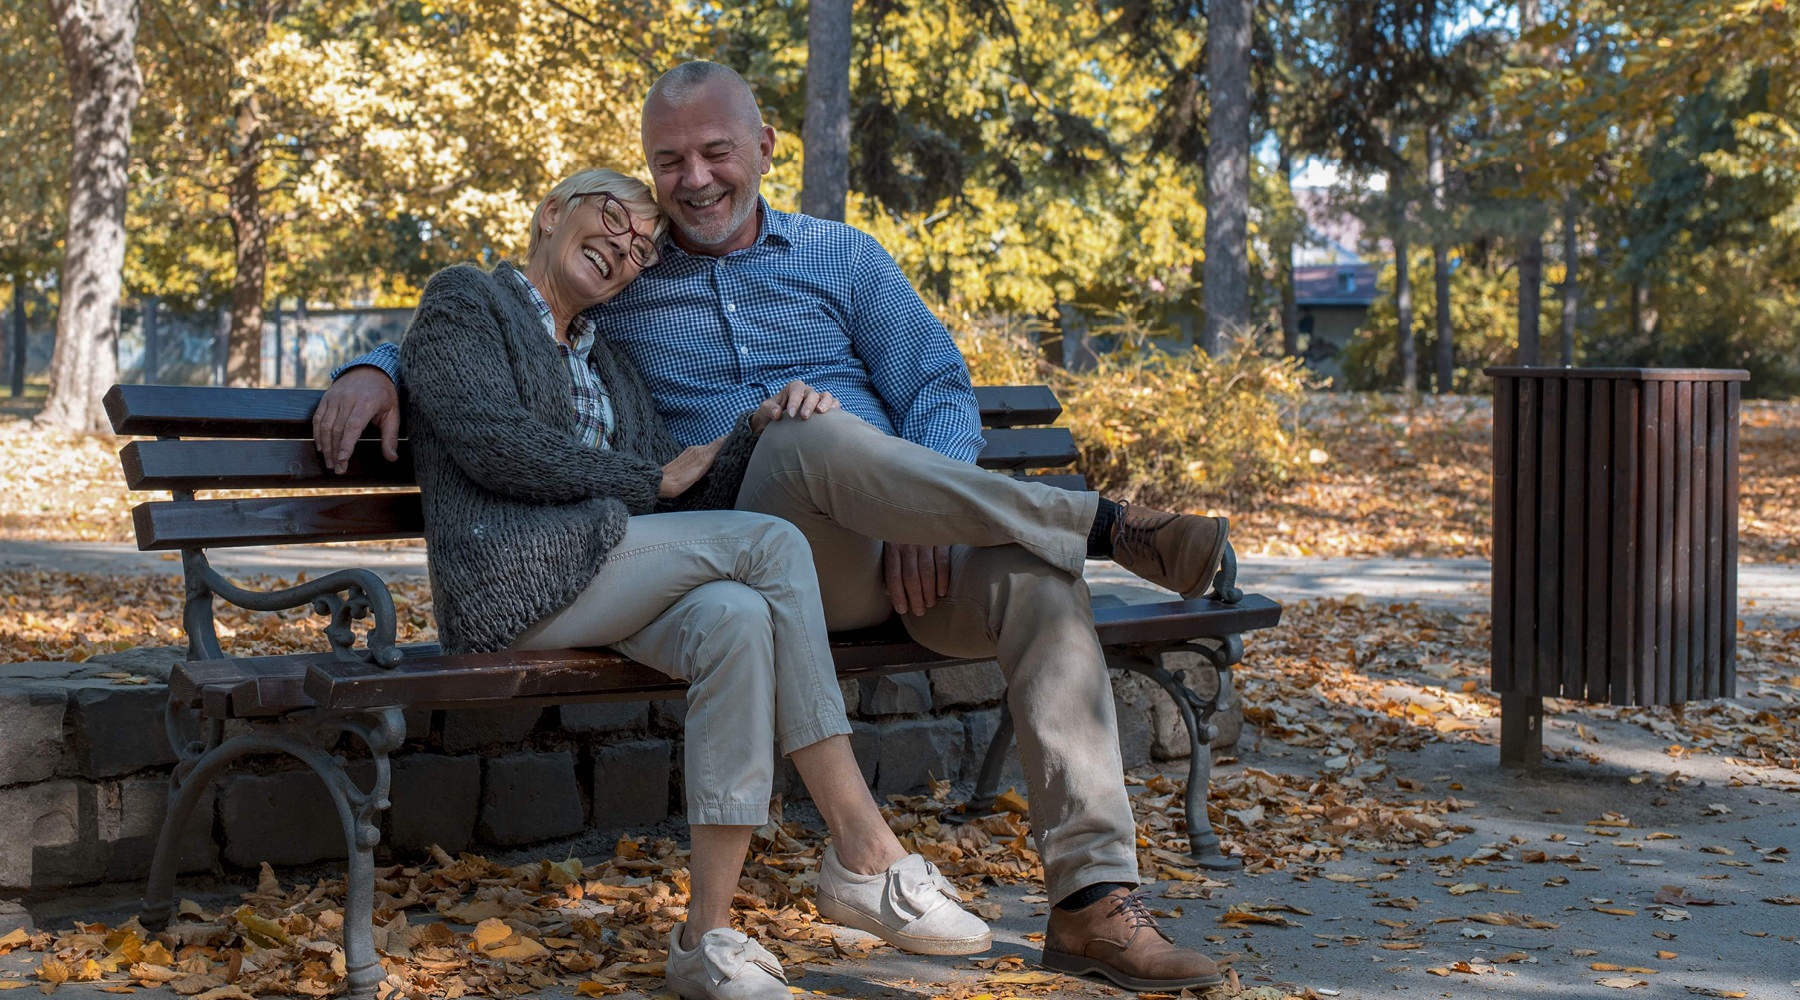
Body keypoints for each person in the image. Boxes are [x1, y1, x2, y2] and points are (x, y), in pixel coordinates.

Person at [315, 64, 1232, 991]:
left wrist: (928, 508)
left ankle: (1094, 907)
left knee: (1041, 582)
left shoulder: (845, 257)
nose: (694, 180)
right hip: (763, 537)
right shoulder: (633, 270)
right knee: (802, 427)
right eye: (668, 161)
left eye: (716, 152)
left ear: (764, 149)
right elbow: (502, 316)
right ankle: (1103, 522)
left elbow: (938, 388)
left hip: (910, 549)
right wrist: (372, 365)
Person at [396, 167, 994, 1000]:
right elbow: (497, 442)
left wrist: (757, 430)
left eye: (644, 246)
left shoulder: (609, 357)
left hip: (607, 573)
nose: (626, 248)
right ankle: (864, 849)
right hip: (510, 586)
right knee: (773, 547)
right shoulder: (468, 300)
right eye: (612, 218)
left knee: (737, 618)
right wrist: (647, 485)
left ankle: (706, 935)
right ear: (549, 213)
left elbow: (679, 483)